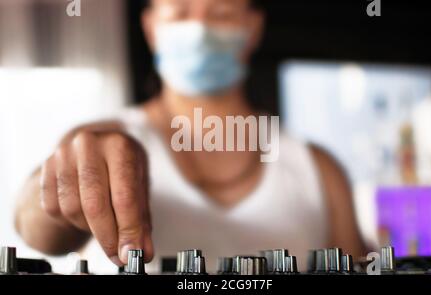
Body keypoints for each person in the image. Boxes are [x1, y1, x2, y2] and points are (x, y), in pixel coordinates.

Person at [14, 0, 366, 272]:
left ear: (253, 28)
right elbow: (35, 225)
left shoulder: (318, 168)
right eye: (179, 13)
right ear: (151, 28)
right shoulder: (96, 138)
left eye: (221, 13)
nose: (199, 29)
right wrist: (69, 185)